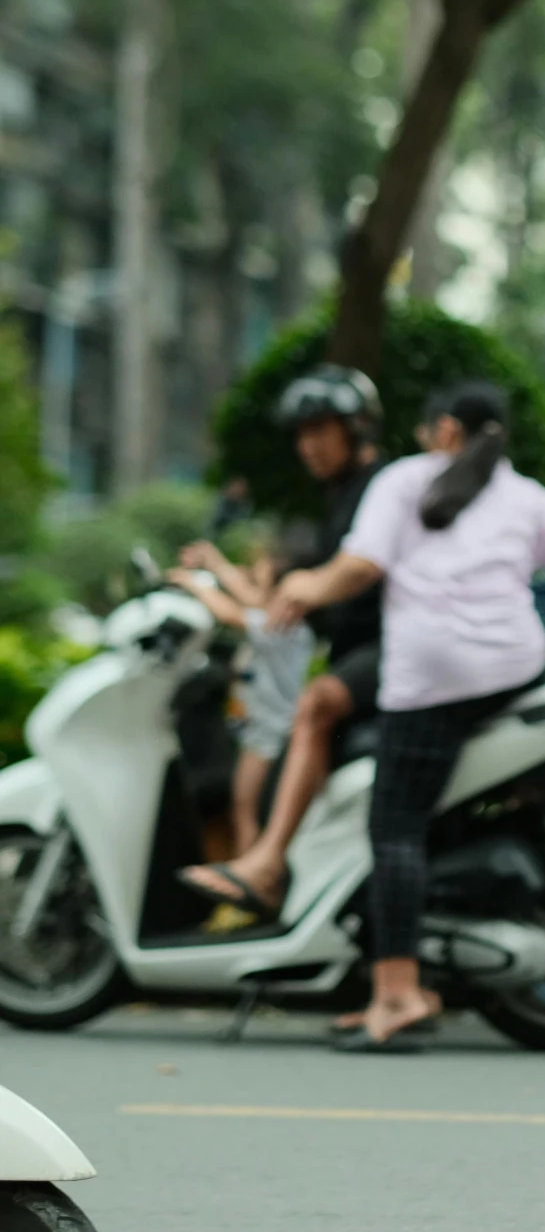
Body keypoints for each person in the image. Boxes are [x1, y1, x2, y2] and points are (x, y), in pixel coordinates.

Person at [268, 378, 545, 1051]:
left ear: (443, 433)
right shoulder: (524, 496)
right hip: (508, 672)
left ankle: (397, 994)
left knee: (396, 826)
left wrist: (301, 585)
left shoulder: (406, 481)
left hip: (432, 675)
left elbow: (359, 566)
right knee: (429, 810)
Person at [178, 366, 386, 919]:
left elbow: (353, 571)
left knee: (313, 706)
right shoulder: (342, 498)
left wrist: (307, 585)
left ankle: (265, 867)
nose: (308, 446)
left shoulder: (383, 489)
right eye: (301, 434)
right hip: (358, 654)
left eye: (321, 430)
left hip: (398, 649)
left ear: (358, 428)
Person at [167, 522, 317, 867]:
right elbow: (248, 598)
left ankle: (244, 886)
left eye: (258, 575)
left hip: (266, 736)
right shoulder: (284, 620)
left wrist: (192, 584)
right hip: (262, 730)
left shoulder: (281, 627)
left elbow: (231, 612)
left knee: (245, 810)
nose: (249, 580)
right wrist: (213, 563)